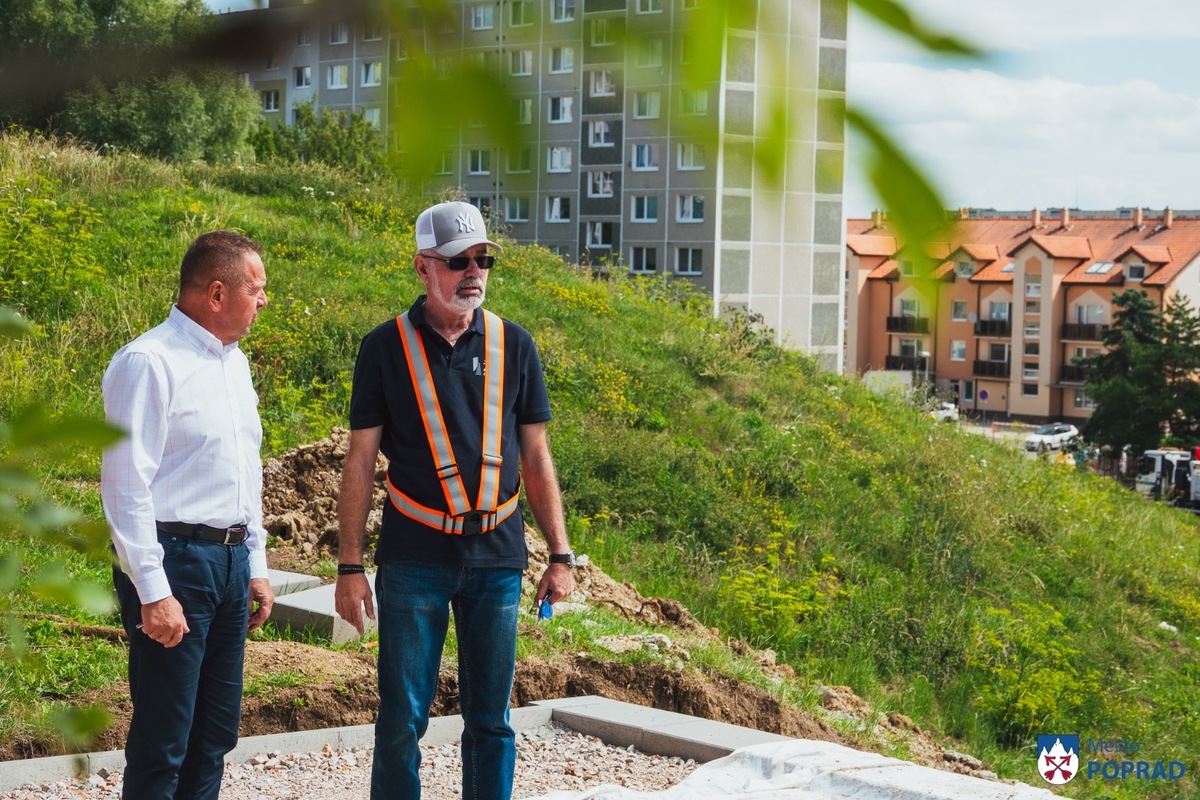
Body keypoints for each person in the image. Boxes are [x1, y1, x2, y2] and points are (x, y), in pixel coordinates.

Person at [335, 201, 577, 800]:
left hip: (497, 558)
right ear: (423, 268)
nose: (474, 271)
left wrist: (560, 555)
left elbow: (538, 458)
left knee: (491, 722)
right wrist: (349, 566)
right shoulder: (383, 349)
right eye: (458, 261)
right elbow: (360, 463)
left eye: (483, 258)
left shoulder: (514, 345)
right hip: (413, 556)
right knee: (401, 722)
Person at [100, 230, 275, 800]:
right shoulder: (148, 363)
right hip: (174, 562)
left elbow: (244, 472)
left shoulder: (236, 365)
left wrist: (256, 564)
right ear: (217, 293)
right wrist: (153, 590)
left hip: (227, 565)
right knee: (163, 742)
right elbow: (126, 486)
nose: (264, 301)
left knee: (214, 736)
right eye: (257, 289)